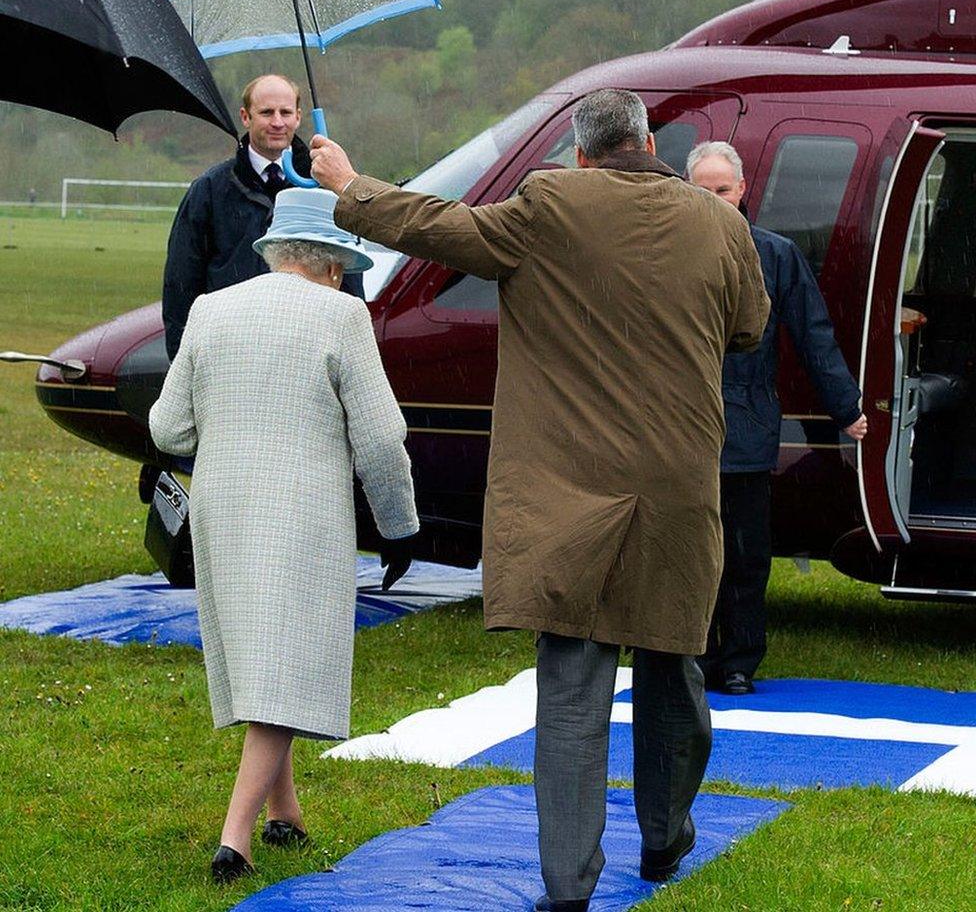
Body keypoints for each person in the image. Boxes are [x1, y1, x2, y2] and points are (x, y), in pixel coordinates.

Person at [309, 89, 770, 911]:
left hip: (569, 487)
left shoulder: (550, 202)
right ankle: (665, 838)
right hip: (679, 483)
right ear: (647, 142)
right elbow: (747, 328)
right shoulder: (721, 222)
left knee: (571, 688)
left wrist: (350, 183)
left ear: (582, 154)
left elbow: (442, 228)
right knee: (675, 665)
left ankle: (567, 887)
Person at [149, 187, 418, 883]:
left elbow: (168, 428)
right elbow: (383, 438)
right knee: (289, 666)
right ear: (332, 263)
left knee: (269, 658)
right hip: (304, 513)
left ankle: (285, 813)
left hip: (223, 506)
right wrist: (399, 525)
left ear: (274, 253)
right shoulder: (343, 316)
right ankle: (234, 839)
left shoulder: (211, 310)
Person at [686, 141, 868, 696]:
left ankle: (738, 661)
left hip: (746, 424)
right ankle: (685, 657)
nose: (713, 199)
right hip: (676, 428)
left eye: (722, 189)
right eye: (702, 190)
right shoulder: (661, 251)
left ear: (742, 191)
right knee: (683, 555)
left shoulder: (776, 255)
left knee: (744, 553)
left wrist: (848, 407)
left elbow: (814, 334)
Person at [162, 74, 364, 359]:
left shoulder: (328, 188)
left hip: (307, 349)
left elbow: (350, 281)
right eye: (266, 112)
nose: (278, 122)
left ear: (299, 116)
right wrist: (181, 360)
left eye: (285, 112)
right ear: (245, 117)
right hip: (230, 348)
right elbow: (181, 285)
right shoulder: (209, 190)